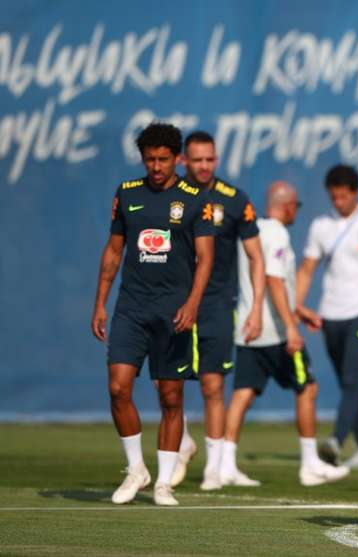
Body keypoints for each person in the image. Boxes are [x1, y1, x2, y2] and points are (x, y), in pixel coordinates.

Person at [91, 122, 214, 506]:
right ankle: (136, 470)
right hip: (131, 308)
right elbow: (113, 252)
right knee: (118, 388)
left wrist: (193, 302)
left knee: (171, 397)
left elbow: (206, 257)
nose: (156, 167)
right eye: (150, 160)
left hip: (174, 312)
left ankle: (163, 482)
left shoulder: (194, 198)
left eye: (163, 159)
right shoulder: (127, 195)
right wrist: (100, 302)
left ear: (177, 159)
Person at [220, 181, 350, 487]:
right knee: (307, 388)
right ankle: (309, 464)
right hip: (276, 332)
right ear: (288, 204)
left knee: (242, 394)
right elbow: (275, 281)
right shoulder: (277, 233)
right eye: (296, 206)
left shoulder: (251, 231)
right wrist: (292, 327)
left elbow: (262, 285)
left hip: (249, 330)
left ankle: (224, 464)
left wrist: (300, 310)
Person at [170, 131, 266, 491]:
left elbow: (256, 257)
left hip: (216, 305)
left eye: (210, 159)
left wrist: (255, 308)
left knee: (213, 385)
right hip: (174, 303)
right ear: (184, 161)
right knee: (171, 386)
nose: (204, 166)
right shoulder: (170, 197)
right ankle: (181, 443)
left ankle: (214, 468)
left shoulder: (234, 199)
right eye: (197, 160)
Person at [295, 165, 358, 470]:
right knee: (348, 381)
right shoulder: (321, 225)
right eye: (334, 197)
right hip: (331, 313)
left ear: (355, 193)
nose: (338, 202)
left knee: (351, 378)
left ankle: (335, 440)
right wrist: (296, 305)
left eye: (343, 197)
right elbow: (307, 269)